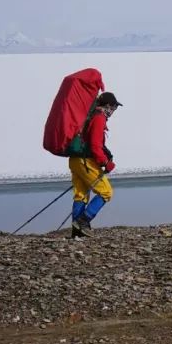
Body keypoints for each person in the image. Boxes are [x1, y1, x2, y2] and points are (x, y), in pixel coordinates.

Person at [70, 91, 121, 237]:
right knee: (106, 191)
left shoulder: (91, 115)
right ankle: (83, 221)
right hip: (85, 161)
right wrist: (105, 162)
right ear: (107, 106)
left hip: (75, 159)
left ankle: (77, 232)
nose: (113, 111)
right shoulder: (99, 118)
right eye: (113, 107)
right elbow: (95, 145)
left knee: (81, 194)